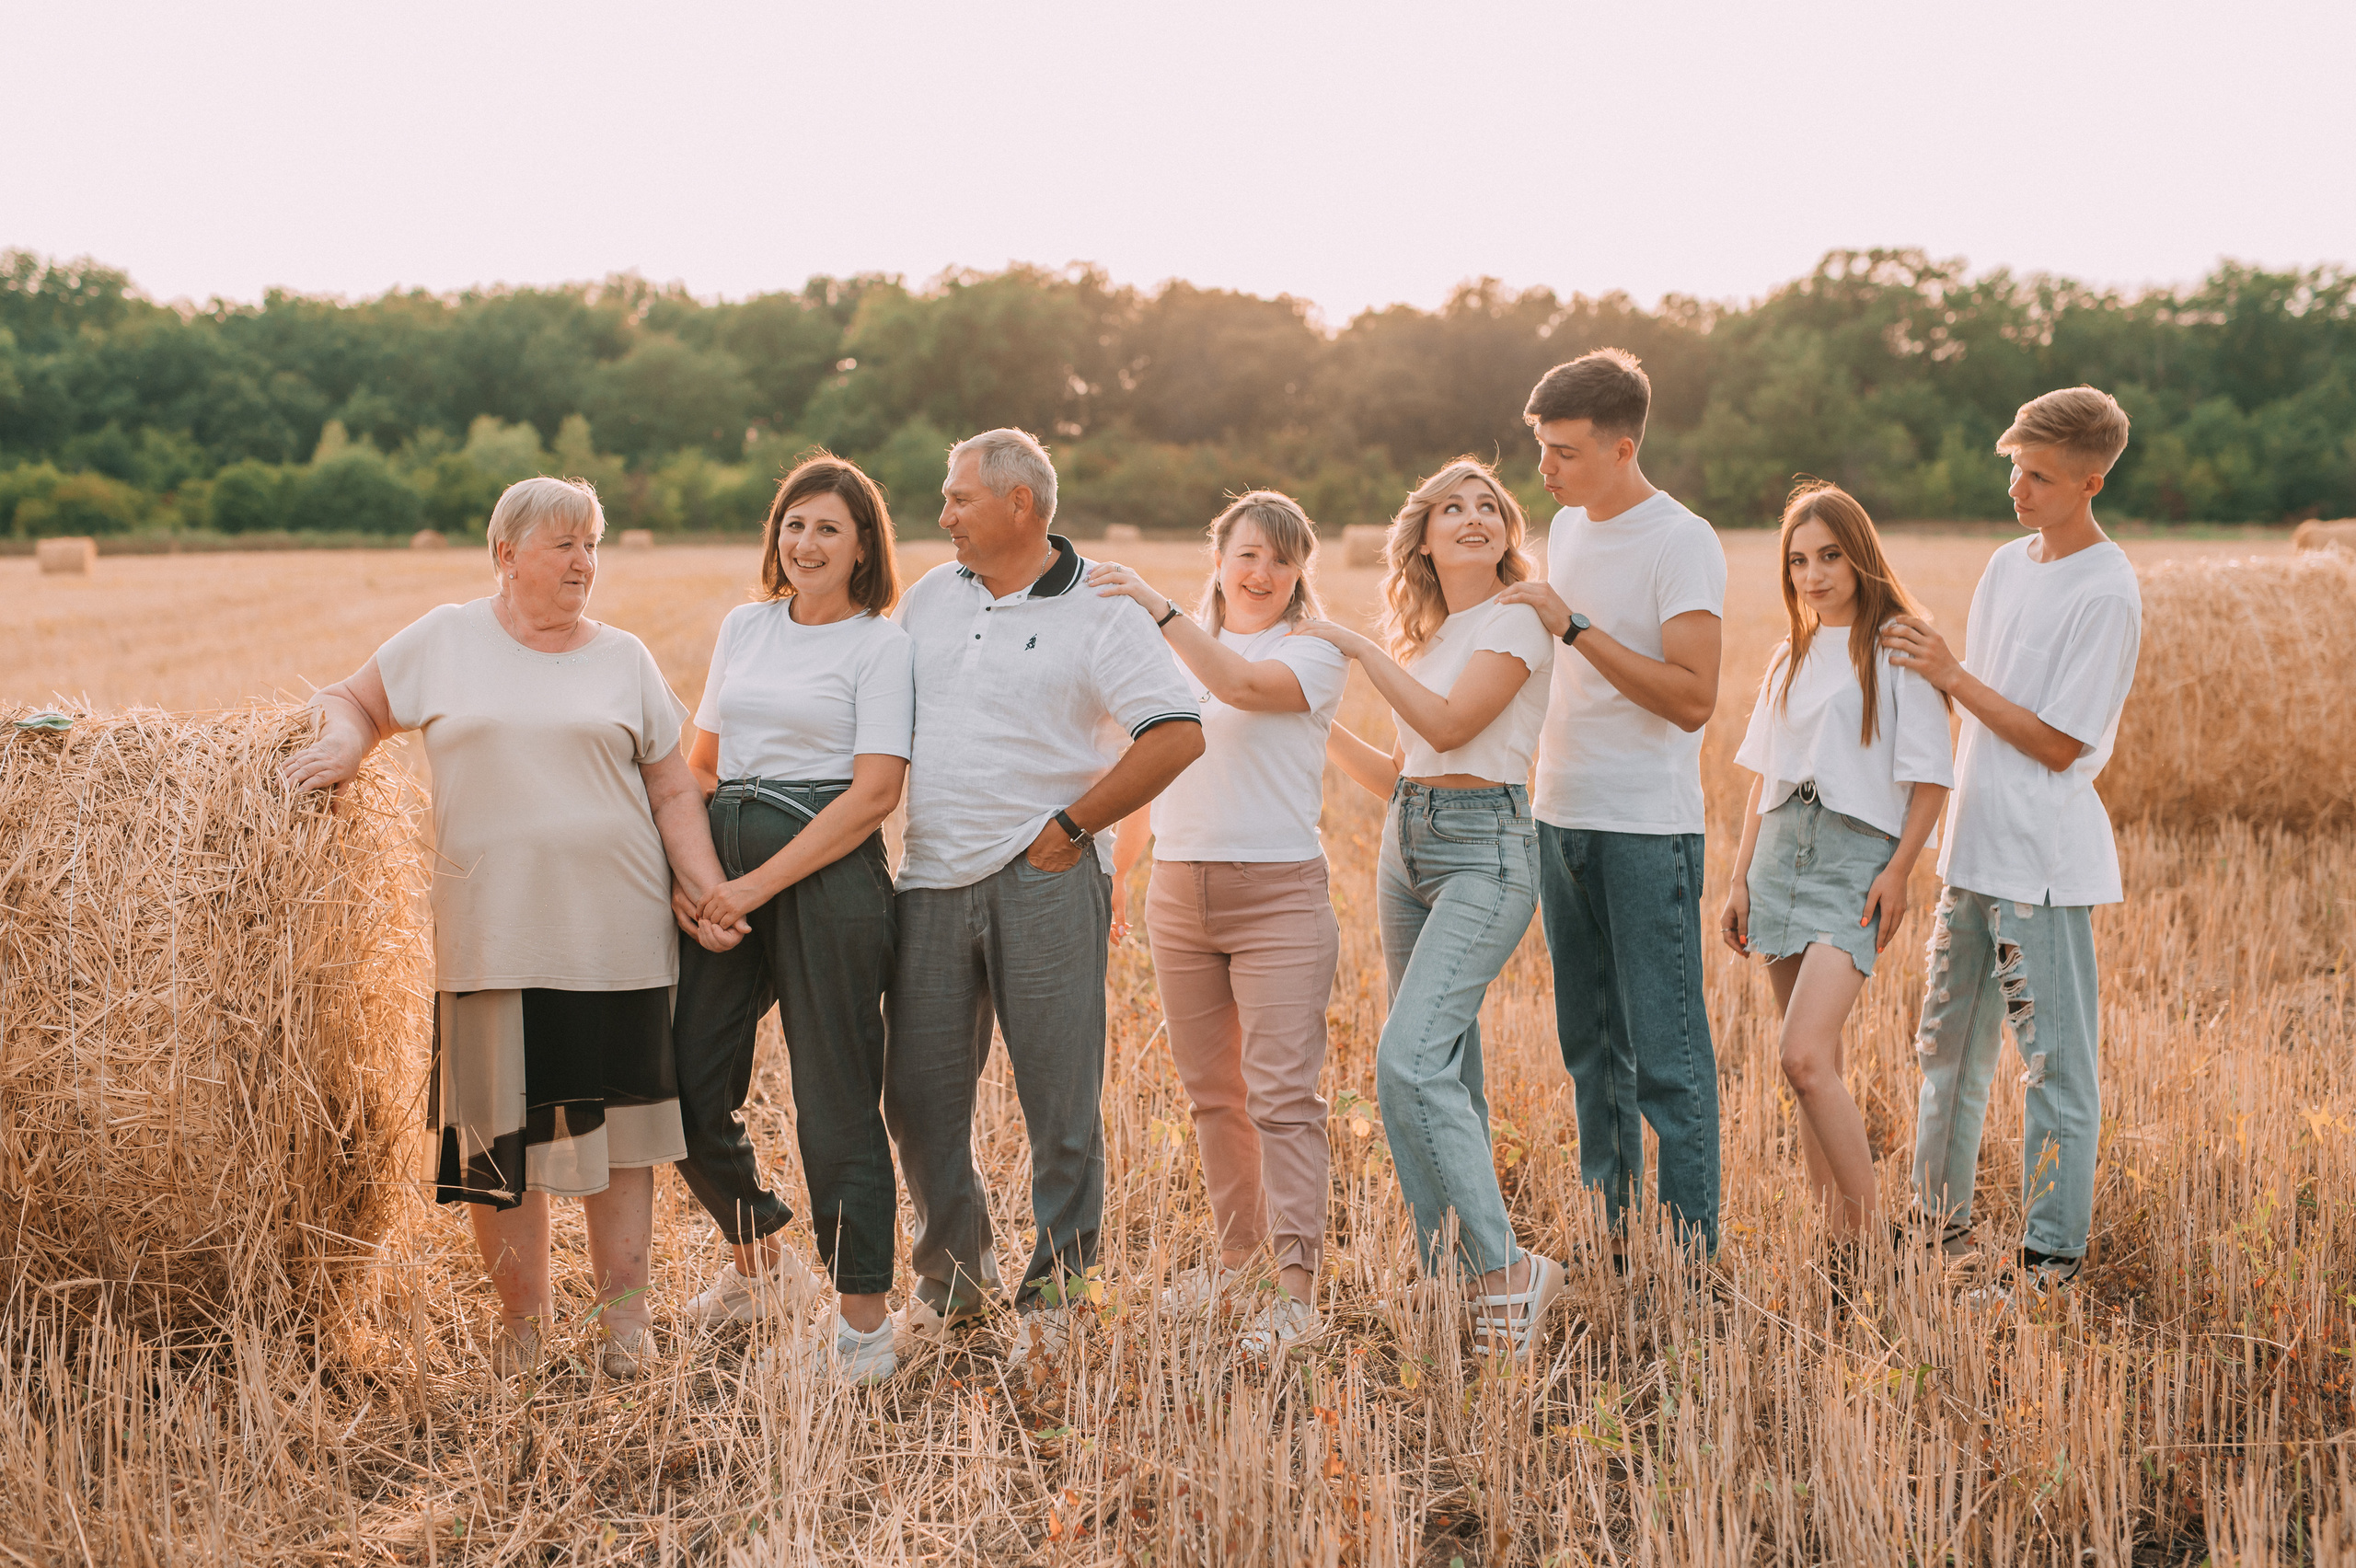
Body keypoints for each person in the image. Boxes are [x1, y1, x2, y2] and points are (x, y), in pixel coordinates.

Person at [280, 477, 726, 1380]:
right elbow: (353, 699)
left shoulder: (625, 658)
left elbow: (672, 784)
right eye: (562, 543)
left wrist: (705, 885)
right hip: (489, 936)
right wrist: (343, 742)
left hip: (614, 934)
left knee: (618, 1143)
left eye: (591, 544)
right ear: (506, 553)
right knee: (496, 1146)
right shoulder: (445, 640)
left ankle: (623, 1330)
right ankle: (525, 1331)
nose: (582, 562)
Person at [885, 428, 1204, 1367]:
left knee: (1059, 1103)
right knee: (917, 1097)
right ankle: (958, 1277)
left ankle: (1059, 1292)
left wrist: (1070, 830)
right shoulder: (928, 599)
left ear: (1019, 504)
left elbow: (1176, 733)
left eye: (958, 499)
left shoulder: (1101, 606)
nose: (942, 515)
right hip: (931, 878)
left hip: (1045, 880)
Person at [1299, 457, 1565, 1362]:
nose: (1472, 516)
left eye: (1487, 505)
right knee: (1439, 1068)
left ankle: (1507, 1273)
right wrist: (1313, 722)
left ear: (1506, 530)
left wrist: (1358, 650)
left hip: (1487, 850)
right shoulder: (1432, 637)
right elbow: (1407, 770)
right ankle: (1451, 1267)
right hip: (1408, 843)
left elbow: (1454, 729)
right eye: (1451, 507)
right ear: (1421, 536)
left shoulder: (1519, 616)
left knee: (1409, 1060)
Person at [1881, 386, 2142, 1294]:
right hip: (1970, 850)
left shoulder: (2107, 591)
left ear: (2090, 480)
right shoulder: (2004, 565)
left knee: (2055, 1071)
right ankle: (1933, 1233)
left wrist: (1951, 672)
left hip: (2041, 865)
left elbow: (2059, 742)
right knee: (1943, 1055)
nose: (2017, 489)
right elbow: (1977, 717)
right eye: (2013, 469)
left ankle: (2048, 1261)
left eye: (2037, 475)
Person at [1087, 492, 1348, 1359]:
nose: (1262, 573)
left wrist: (1159, 610)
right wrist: (1124, 871)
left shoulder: (1311, 650)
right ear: (1219, 557)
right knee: (1212, 1096)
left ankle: (1296, 1292)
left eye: (1281, 557)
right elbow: (1149, 760)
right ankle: (1239, 1262)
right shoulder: (1174, 655)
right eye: (1246, 554)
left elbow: (1240, 687)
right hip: (1180, 889)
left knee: (1282, 1096)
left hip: (1277, 892)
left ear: (1300, 568)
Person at [669, 455, 912, 1383]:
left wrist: (752, 887)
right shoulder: (746, 627)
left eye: (828, 529)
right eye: (793, 524)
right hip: (722, 871)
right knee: (684, 1085)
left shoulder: (879, 645)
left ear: (862, 549)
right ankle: (762, 1249)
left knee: (834, 1098)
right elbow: (700, 766)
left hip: (827, 878)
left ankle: (862, 1333)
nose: (804, 543)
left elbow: (873, 795)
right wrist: (698, 883)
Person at [1496, 348, 1726, 1261]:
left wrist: (1576, 627)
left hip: (1647, 827)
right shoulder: (1568, 528)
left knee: (1666, 1065)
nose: (1545, 473)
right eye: (1542, 451)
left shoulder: (1682, 541)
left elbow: (1692, 697)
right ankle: (1616, 1239)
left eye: (1563, 453)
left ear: (1622, 446)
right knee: (1590, 1051)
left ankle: (1688, 1261)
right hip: (1561, 813)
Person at [1719, 483, 1953, 1244]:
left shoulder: (1899, 648)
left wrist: (1900, 870)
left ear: (1859, 556)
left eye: (1828, 556)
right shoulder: (1789, 655)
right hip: (1781, 853)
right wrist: (1738, 877)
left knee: (1805, 1056)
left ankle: (1881, 1246)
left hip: (1856, 860)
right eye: (1798, 561)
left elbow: (1930, 779)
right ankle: (1839, 1242)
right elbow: (1766, 778)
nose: (1813, 575)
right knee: (1811, 1070)